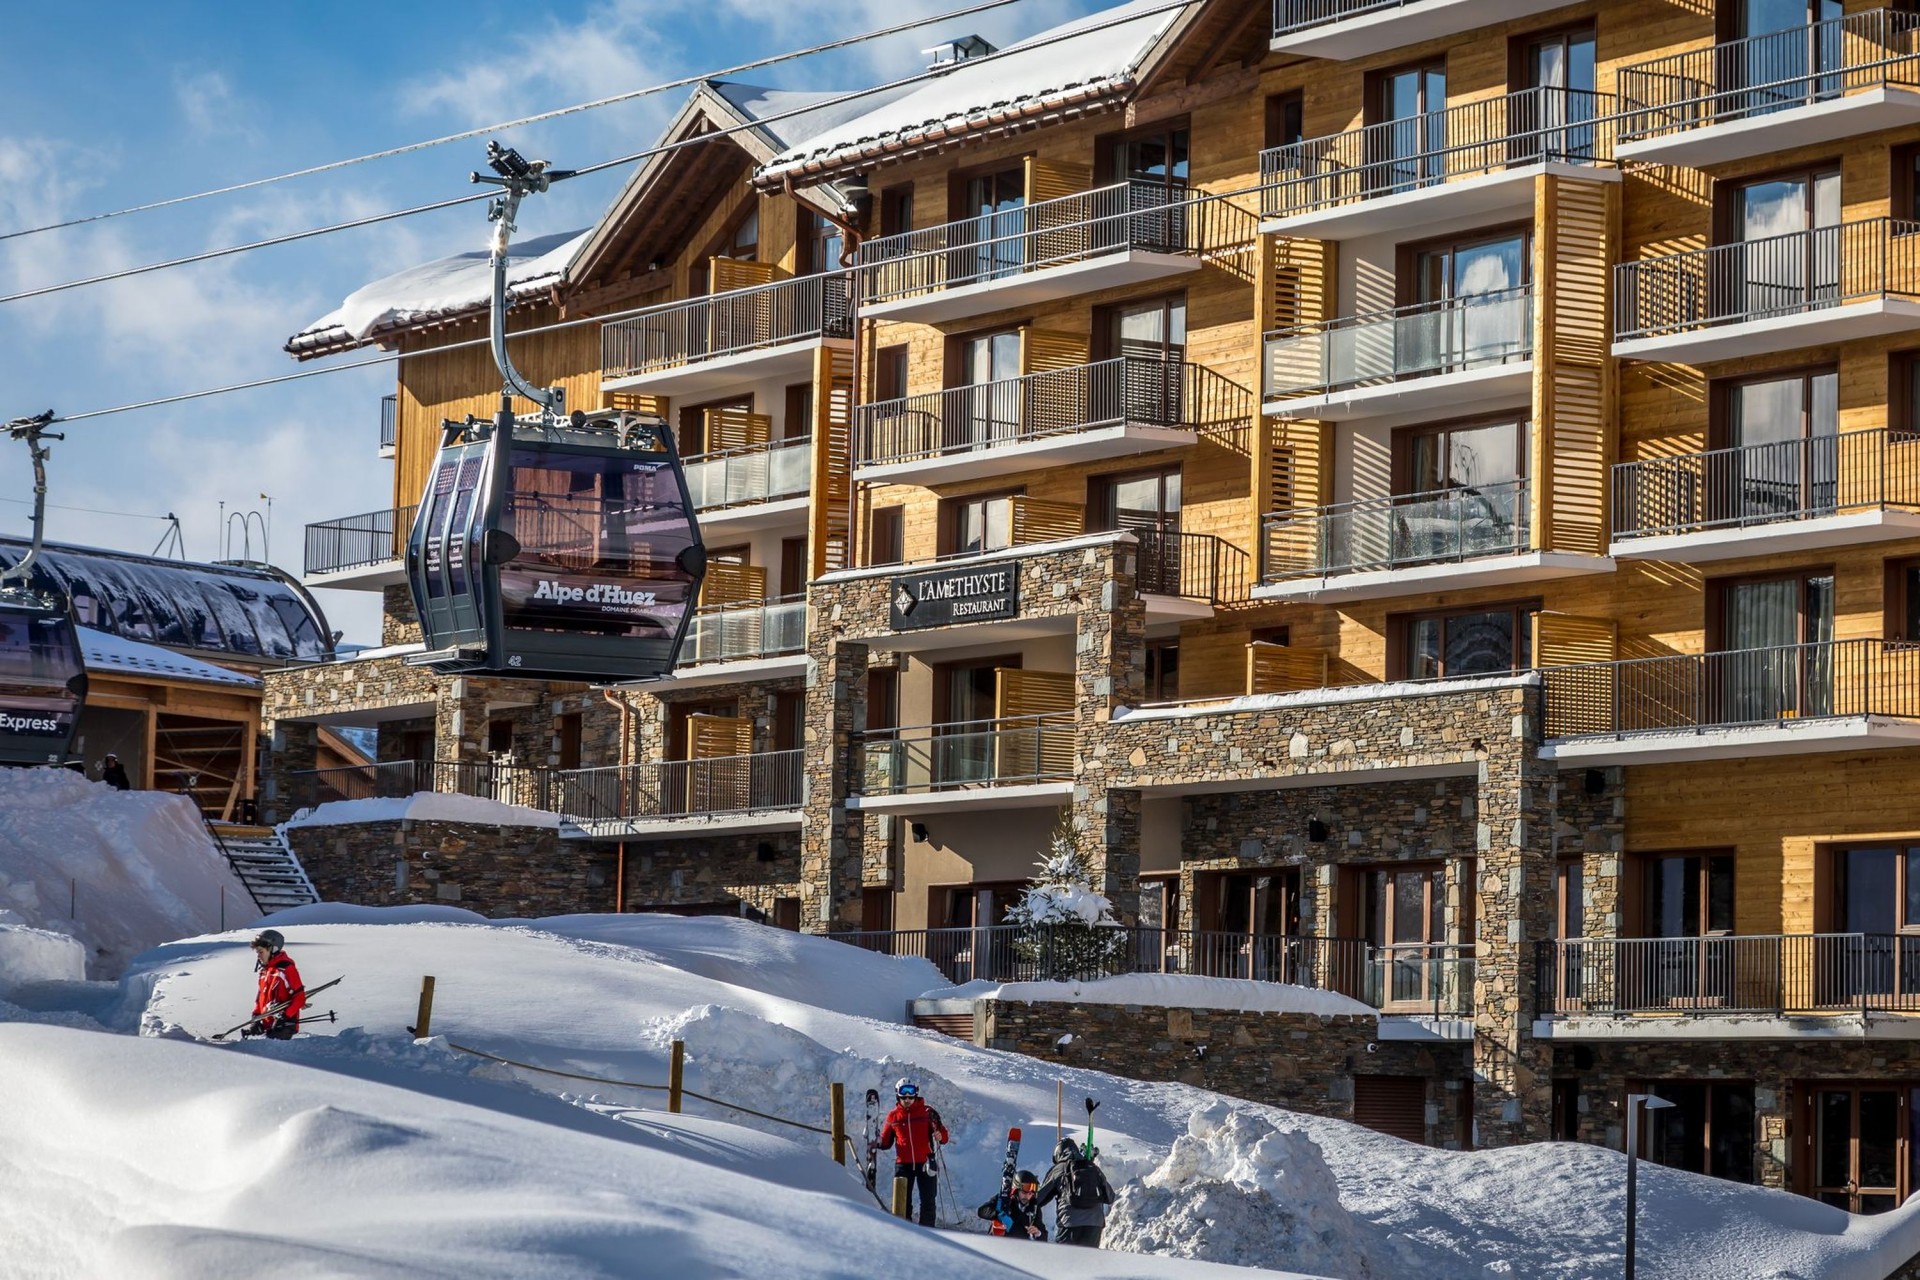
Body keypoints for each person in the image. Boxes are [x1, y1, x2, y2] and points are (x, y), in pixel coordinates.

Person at [877, 1078, 948, 1226]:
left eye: (911, 1095)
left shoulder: (928, 1113)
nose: (908, 1099)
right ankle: (904, 1231)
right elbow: (885, 1143)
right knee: (903, 1203)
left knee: (928, 1201)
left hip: (926, 1163)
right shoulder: (893, 1116)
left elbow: (944, 1137)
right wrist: (875, 1140)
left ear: (916, 1094)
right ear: (898, 1095)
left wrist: (940, 1136)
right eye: (904, 1096)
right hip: (903, 1165)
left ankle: (927, 1232)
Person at [1038, 1136, 1114, 1248]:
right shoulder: (1093, 1167)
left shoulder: (1059, 1168)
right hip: (1095, 1224)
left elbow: (1038, 1198)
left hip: (1070, 1223)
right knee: (1088, 1261)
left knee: (1065, 1262)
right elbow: (1110, 1197)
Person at [243, 929, 305, 1040]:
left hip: (284, 1029)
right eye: (257, 952)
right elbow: (260, 998)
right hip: (269, 1027)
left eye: (261, 952)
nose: (258, 956)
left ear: (273, 949)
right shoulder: (265, 971)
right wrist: (256, 1018)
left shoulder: (286, 969)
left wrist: (285, 1017)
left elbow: (300, 997)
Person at [977, 1169, 1047, 1241]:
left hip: (1021, 1248)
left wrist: (1038, 1233)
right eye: (1024, 1193)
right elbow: (982, 1211)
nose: (1027, 1197)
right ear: (1016, 1190)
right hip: (999, 1245)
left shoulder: (1034, 1207)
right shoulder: (1005, 1199)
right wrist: (999, 1215)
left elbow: (1044, 1236)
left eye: (1030, 1194)